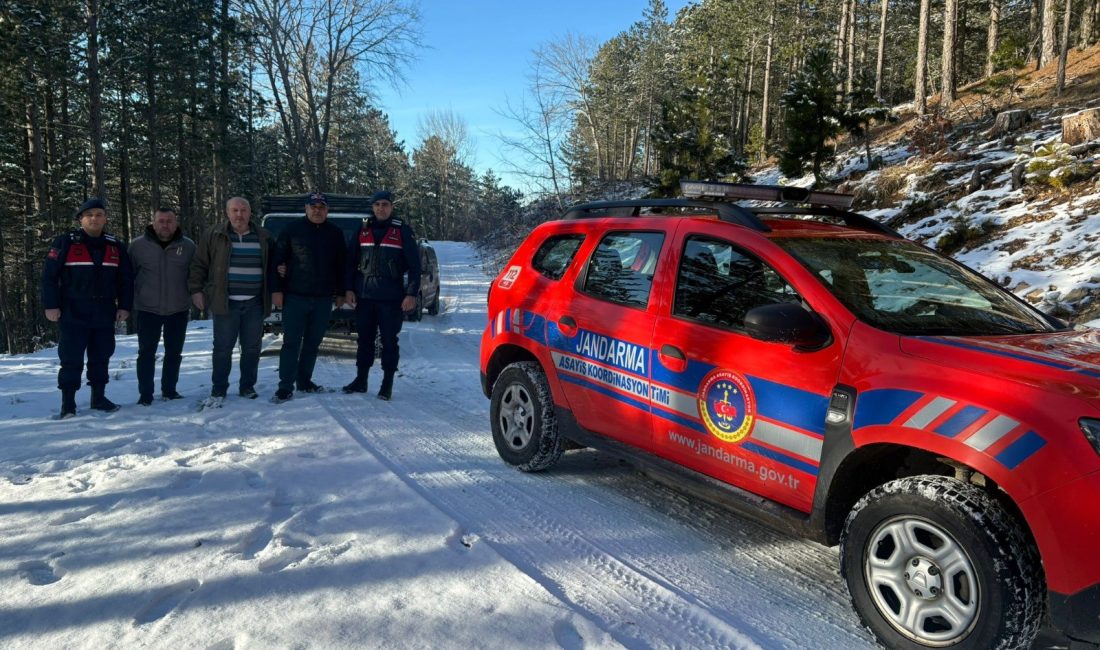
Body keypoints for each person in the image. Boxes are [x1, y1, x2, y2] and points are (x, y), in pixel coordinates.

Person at [41, 197, 134, 418]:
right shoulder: (65, 242)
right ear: (81, 219)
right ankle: (68, 403)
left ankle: (98, 397)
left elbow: (126, 280)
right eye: (89, 215)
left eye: (99, 215)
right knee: (71, 357)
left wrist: (125, 306)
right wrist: (50, 305)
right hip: (72, 310)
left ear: (105, 219)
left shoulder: (115, 246)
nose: (94, 218)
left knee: (101, 355)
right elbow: (49, 277)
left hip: (104, 311)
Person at [188, 197, 273, 405]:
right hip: (225, 301)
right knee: (223, 348)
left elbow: (275, 265)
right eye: (234, 210)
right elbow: (199, 264)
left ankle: (247, 386)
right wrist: (196, 290)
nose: (239, 214)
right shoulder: (214, 235)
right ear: (227, 212)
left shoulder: (264, 236)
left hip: (255, 302)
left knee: (252, 348)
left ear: (250, 212)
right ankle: (219, 389)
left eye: (243, 210)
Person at [269, 191, 347, 403]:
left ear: (327, 210)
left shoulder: (335, 233)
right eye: (313, 206)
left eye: (321, 207)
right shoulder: (292, 230)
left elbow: (342, 266)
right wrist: (276, 290)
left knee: (313, 343)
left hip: (323, 299)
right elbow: (276, 261)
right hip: (295, 297)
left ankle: (304, 381)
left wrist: (341, 292)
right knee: (291, 342)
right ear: (306, 208)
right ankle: (285, 386)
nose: (317, 210)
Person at [342, 190, 420, 400]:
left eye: (385, 204)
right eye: (377, 205)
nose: (381, 208)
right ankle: (361, 380)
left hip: (391, 297)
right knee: (364, 340)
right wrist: (348, 289)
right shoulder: (363, 228)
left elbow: (415, 266)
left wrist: (411, 293)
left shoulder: (401, 230)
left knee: (389, 341)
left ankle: (387, 384)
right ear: (373, 207)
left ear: (391, 206)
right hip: (365, 296)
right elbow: (350, 262)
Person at [129, 208, 196, 405]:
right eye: (161, 221)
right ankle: (145, 394)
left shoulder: (188, 246)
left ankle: (169, 390)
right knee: (146, 353)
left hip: (178, 308)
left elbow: (196, 275)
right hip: (148, 308)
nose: (165, 225)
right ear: (153, 222)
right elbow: (127, 276)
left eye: (169, 221)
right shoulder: (138, 246)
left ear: (176, 223)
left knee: (174, 352)